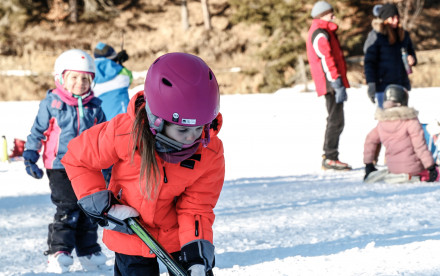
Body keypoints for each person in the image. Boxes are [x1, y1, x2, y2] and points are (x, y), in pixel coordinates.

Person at [61, 52, 225, 276]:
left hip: (178, 237)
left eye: (200, 127)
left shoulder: (208, 151)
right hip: (131, 232)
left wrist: (196, 254)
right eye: (183, 129)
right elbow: (78, 158)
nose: (193, 137)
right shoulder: (125, 132)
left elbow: (196, 207)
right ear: (157, 119)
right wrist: (103, 205)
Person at [23, 49, 107, 272]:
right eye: (74, 77)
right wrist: (30, 155)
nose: (80, 83)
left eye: (85, 79)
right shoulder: (52, 103)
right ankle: (59, 252)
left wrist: (109, 165)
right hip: (59, 166)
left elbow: (104, 137)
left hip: (88, 166)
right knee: (68, 208)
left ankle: (88, 251)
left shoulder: (95, 106)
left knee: (90, 209)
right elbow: (37, 131)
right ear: (61, 79)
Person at [306, 1, 351, 170]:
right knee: (335, 119)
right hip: (330, 83)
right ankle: (330, 156)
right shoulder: (320, 32)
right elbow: (326, 58)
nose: (333, 16)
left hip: (331, 81)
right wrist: (335, 80)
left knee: (336, 119)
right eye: (330, 13)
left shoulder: (325, 31)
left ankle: (330, 155)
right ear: (322, 15)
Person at [363, 84, 438, 183]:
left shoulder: (382, 122)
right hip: (413, 169)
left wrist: (369, 165)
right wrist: (431, 167)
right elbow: (420, 146)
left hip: (393, 168)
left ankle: (398, 176)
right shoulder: (410, 120)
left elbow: (370, 140)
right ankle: (415, 177)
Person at [364, 3, 417, 108]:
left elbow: (411, 52)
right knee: (388, 119)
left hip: (401, 84)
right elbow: (369, 62)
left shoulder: (403, 35)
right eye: (392, 18)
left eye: (397, 17)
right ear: (384, 19)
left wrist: (412, 59)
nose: (396, 20)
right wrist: (371, 83)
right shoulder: (376, 36)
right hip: (383, 86)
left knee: (402, 120)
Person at [93, 42, 133, 120]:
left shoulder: (89, 75)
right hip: (124, 119)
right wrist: (119, 64)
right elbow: (130, 80)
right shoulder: (123, 73)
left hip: (101, 122)